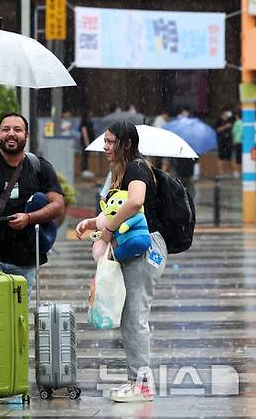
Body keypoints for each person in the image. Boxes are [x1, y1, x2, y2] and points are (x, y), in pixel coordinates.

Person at [75, 121, 167, 403]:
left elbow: (135, 202)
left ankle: (142, 384)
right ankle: (136, 380)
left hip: (145, 247)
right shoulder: (123, 171)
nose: (105, 147)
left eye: (111, 141)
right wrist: (93, 222)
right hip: (136, 247)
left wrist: (109, 230)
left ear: (126, 144)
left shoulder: (137, 168)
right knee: (130, 317)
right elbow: (117, 208)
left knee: (135, 317)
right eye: (105, 141)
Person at [0, 113, 65, 301]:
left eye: (17, 130)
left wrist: (29, 218)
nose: (11, 134)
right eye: (6, 129)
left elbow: (58, 207)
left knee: (18, 317)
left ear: (26, 136)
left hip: (24, 261)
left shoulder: (39, 167)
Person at [215, 107, 234, 177]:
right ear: (223, 113)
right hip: (221, 141)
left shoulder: (230, 120)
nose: (228, 114)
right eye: (227, 112)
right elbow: (217, 130)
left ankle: (228, 172)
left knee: (229, 157)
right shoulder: (219, 121)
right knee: (221, 156)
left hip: (228, 141)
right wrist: (225, 126)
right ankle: (221, 172)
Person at [79, 109, 96, 179]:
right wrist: (87, 143)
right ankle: (84, 170)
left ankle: (87, 170)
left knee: (87, 156)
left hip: (90, 141)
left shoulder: (90, 121)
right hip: (86, 142)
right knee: (85, 156)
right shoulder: (84, 121)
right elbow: (84, 132)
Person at [233, 111, 243, 178]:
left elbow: (234, 132)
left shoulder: (237, 122)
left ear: (237, 116)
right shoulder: (246, 122)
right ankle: (243, 172)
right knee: (244, 157)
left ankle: (238, 172)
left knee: (238, 158)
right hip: (246, 142)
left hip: (238, 141)